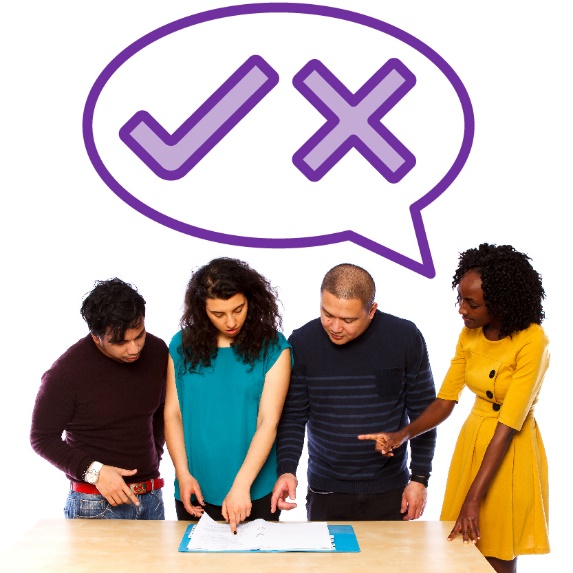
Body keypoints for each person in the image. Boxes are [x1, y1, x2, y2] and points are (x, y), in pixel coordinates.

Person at [360, 243, 549, 573]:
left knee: (497, 552)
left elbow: (507, 426)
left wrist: (473, 499)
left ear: (501, 303)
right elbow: (446, 401)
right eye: (460, 299)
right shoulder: (470, 333)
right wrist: (402, 433)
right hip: (473, 440)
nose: (462, 309)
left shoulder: (533, 341)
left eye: (471, 303)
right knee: (461, 551)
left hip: (509, 448)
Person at [271, 263, 437, 521]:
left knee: (391, 563)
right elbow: (293, 417)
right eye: (327, 314)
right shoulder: (302, 342)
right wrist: (287, 470)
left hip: (391, 489)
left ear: (371, 310)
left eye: (348, 320)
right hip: (326, 490)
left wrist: (420, 479)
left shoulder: (405, 338)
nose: (335, 327)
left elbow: (424, 413)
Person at [165, 257, 291, 532]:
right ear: (202, 310)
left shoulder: (275, 348)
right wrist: (182, 475)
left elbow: (268, 422)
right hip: (194, 488)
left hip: (254, 491)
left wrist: (241, 486)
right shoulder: (181, 345)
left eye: (238, 309)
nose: (231, 321)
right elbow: (173, 414)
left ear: (251, 300)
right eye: (218, 314)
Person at [30, 278, 168, 519]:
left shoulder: (157, 351)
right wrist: (95, 472)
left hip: (151, 497)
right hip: (95, 502)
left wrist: (154, 456)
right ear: (96, 337)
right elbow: (41, 438)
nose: (134, 349)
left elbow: (161, 412)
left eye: (139, 336)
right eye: (121, 342)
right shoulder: (66, 372)